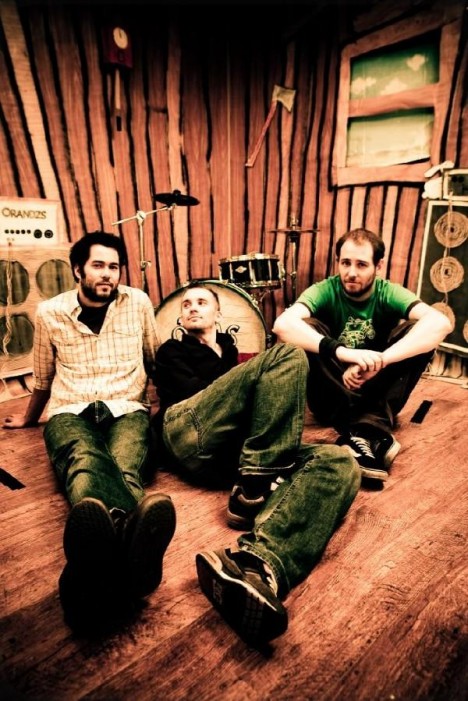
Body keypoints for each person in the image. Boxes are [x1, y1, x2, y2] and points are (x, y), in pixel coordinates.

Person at [153, 281, 361, 644]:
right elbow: (203, 395)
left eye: (202, 302)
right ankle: (257, 481)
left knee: (340, 461)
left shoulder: (231, 350)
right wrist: (257, 386)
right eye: (186, 304)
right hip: (185, 431)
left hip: (230, 457)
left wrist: (260, 397)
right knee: (289, 354)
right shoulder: (172, 350)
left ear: (218, 313)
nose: (192, 307)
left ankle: (257, 566)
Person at [2, 231, 176, 632]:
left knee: (124, 466)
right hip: (69, 409)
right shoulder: (50, 312)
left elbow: (156, 360)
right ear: (78, 270)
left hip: (127, 406)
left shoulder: (138, 303)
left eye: (114, 267)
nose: (108, 274)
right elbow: (42, 377)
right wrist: (29, 418)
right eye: (98, 265)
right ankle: (129, 558)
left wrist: (167, 413)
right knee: (83, 460)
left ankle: (88, 575)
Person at [273, 227, 453, 482]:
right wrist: (344, 353)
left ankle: (359, 435)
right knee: (306, 327)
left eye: (361, 264)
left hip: (374, 388)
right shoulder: (325, 290)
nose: (351, 272)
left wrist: (382, 361)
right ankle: (370, 432)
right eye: (345, 263)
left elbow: (441, 324)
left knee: (418, 331)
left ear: (378, 266)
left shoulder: (388, 292)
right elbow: (282, 325)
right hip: (332, 395)